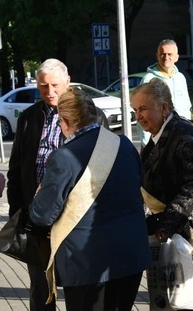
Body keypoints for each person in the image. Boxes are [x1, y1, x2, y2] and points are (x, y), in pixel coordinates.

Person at [28, 89, 151, 311]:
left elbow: (42, 215)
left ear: (64, 121)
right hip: (131, 256)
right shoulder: (123, 145)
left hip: (87, 266)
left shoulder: (64, 157)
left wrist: (39, 195)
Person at [132, 78, 193, 311]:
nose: (138, 116)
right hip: (179, 231)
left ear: (164, 107)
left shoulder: (182, 135)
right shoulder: (160, 134)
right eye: (135, 110)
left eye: (143, 108)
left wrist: (167, 224)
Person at [6, 59, 71, 311]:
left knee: (77, 286)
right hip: (37, 217)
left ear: (67, 81)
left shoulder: (88, 114)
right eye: (44, 86)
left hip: (72, 217)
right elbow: (16, 169)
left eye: (55, 85)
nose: (50, 92)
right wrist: (16, 212)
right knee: (41, 288)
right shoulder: (29, 117)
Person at [139, 39, 192, 145]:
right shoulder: (149, 80)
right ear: (157, 56)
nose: (166, 57)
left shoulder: (180, 78)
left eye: (169, 54)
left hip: (180, 138)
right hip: (158, 142)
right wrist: (147, 144)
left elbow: (186, 108)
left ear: (176, 57)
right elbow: (142, 114)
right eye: (162, 54)